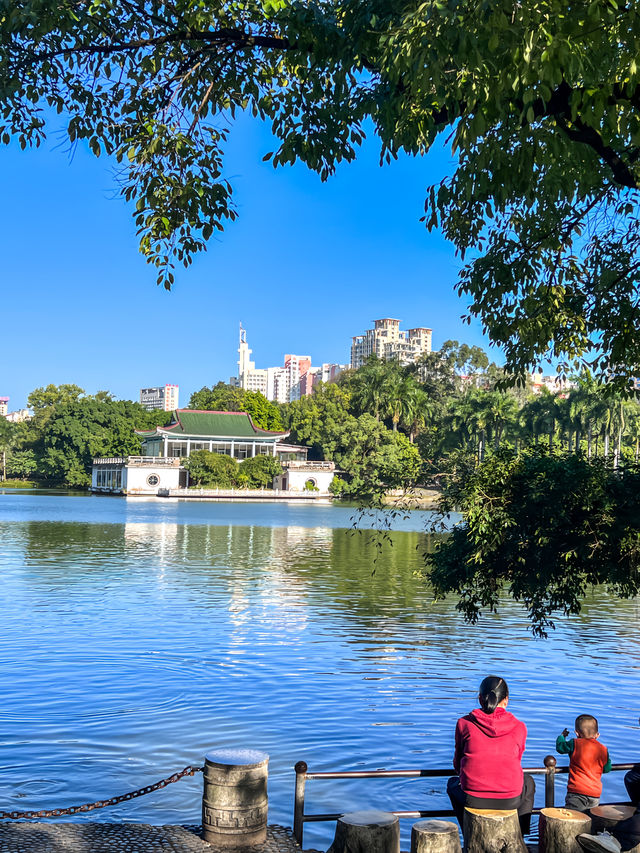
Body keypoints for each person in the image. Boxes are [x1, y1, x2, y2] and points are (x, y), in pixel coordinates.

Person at [447, 675, 535, 835]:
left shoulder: (464, 723)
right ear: (506, 700)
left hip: (472, 798)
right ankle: (520, 834)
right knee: (528, 781)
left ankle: (469, 830)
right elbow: (517, 760)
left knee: (452, 784)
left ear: (480, 699)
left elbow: (457, 765)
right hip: (511, 799)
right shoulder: (520, 727)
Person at [556, 714, 611, 812]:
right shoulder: (603, 749)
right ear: (597, 735)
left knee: (574, 820)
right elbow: (607, 769)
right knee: (590, 820)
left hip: (576, 791)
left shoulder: (574, 743)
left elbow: (560, 747)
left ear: (577, 733)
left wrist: (562, 736)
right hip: (595, 793)